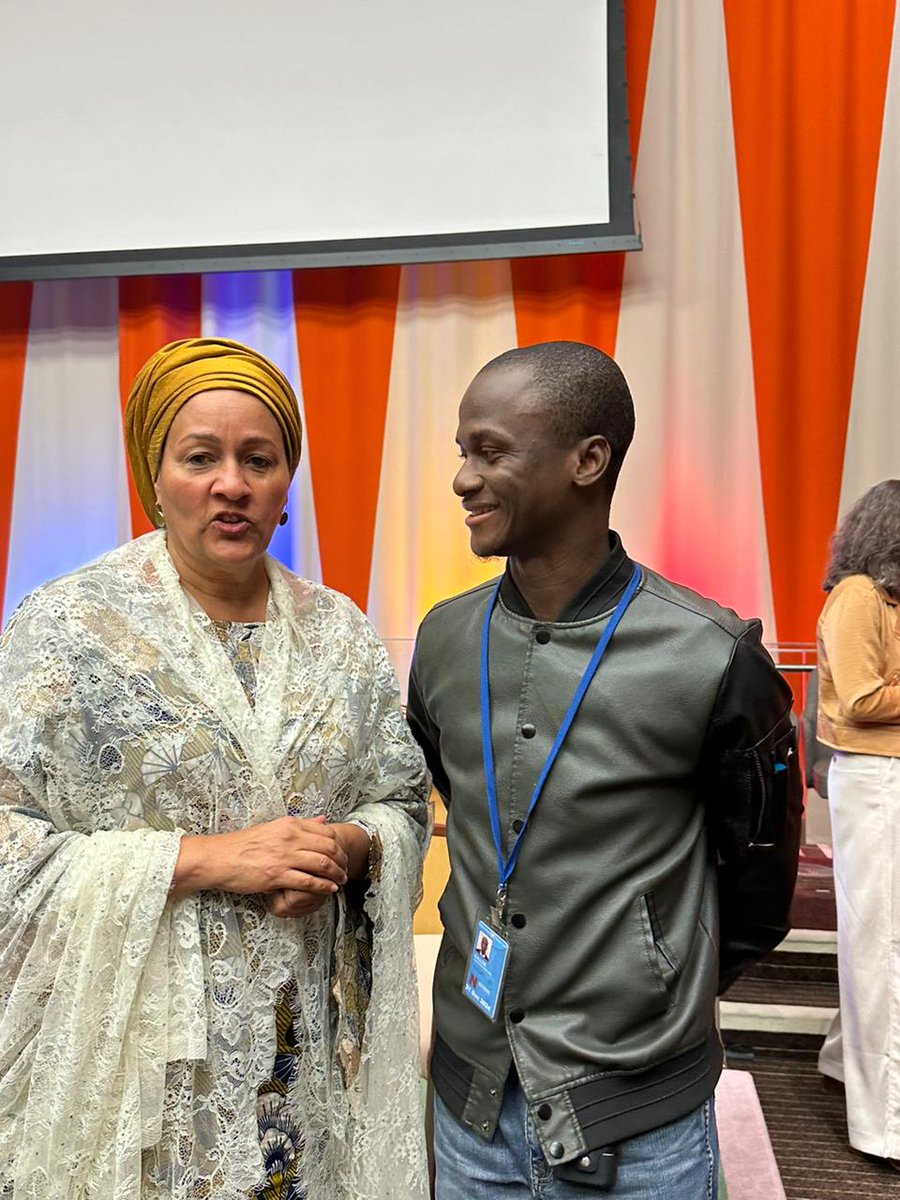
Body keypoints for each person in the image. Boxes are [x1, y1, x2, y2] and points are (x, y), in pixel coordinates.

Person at [0, 338, 431, 1200]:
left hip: (303, 1058)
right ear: (153, 478)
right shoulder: (70, 629)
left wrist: (348, 849)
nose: (231, 483)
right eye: (200, 457)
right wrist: (207, 860)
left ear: (284, 485)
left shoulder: (340, 635)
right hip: (145, 1068)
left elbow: (403, 799)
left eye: (258, 460)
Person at [406, 341, 803, 1199]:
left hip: (640, 1121)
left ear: (589, 460)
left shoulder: (712, 655)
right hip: (472, 1102)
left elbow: (759, 890)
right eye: (461, 453)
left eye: (491, 450)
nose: (463, 479)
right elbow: (458, 798)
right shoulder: (442, 640)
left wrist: (653, 972)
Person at [816, 479, 900, 1166]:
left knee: (878, 935)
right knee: (885, 947)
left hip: (883, 778)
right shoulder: (858, 598)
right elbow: (865, 699)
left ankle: (847, 1061)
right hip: (877, 779)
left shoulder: (884, 600)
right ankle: (884, 1126)